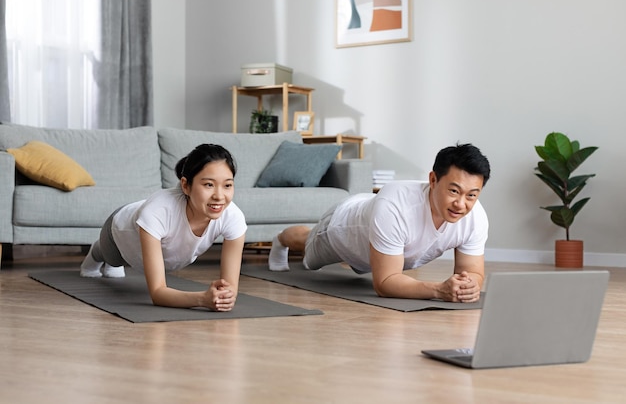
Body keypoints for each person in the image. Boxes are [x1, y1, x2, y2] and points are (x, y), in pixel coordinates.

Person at [268, 143, 490, 303]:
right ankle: (280, 238)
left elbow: (473, 272)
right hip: (343, 228)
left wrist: (468, 286)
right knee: (308, 251)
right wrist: (439, 290)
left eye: (471, 195)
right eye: (454, 191)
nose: (461, 204)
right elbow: (385, 283)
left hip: (377, 226)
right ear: (433, 180)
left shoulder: (475, 217)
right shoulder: (396, 205)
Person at [80, 144, 247, 312]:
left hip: (160, 245)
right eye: (209, 185)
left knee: (117, 268)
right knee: (112, 259)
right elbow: (158, 293)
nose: (219, 196)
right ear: (185, 185)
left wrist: (223, 296)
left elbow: (230, 287)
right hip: (120, 229)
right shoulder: (157, 212)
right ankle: (95, 253)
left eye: (227, 185)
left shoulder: (233, 216)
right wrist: (203, 299)